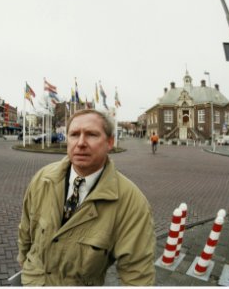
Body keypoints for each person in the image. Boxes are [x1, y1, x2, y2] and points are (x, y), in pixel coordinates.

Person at [17, 109, 155, 286]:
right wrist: (24, 263)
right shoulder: (43, 179)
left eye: (91, 134)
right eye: (74, 134)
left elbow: (138, 276)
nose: (81, 143)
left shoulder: (132, 203)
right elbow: (26, 228)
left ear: (110, 142)